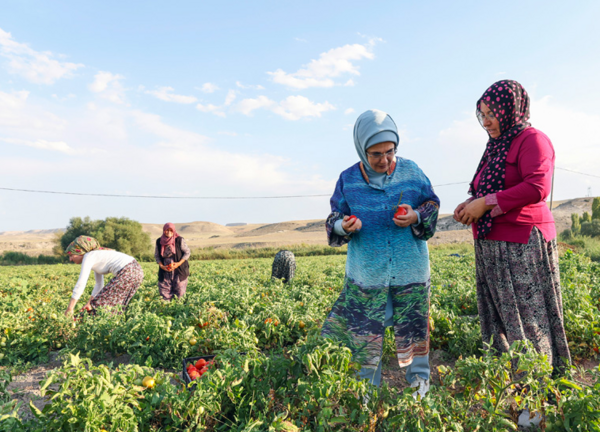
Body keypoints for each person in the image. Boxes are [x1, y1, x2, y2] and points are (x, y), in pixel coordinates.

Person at [453, 80, 571, 376]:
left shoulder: (532, 139)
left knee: (529, 320)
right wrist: (470, 204)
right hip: (492, 243)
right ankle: (517, 386)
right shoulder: (495, 146)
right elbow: (490, 188)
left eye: (492, 113)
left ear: (511, 109)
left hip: (522, 242)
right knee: (503, 321)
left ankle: (539, 390)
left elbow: (537, 187)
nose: (486, 121)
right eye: (481, 115)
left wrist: (487, 203)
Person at [321, 109, 440, 399]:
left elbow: (432, 205)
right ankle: (366, 394)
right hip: (368, 273)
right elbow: (334, 218)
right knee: (365, 335)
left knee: (413, 328)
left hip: (409, 269)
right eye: (376, 154)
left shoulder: (412, 172)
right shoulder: (348, 179)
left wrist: (416, 216)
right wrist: (344, 225)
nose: (385, 160)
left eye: (390, 151)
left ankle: (419, 385)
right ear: (362, 150)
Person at [65, 236, 144, 316]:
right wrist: (89, 302)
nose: (70, 259)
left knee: (100, 307)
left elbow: (81, 283)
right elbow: (99, 284)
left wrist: (70, 308)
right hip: (137, 271)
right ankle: (112, 326)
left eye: (71, 255)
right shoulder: (96, 256)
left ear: (81, 251)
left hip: (128, 271)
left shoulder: (88, 256)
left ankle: (79, 322)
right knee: (116, 306)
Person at [155, 223, 190, 300]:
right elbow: (157, 255)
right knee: (164, 291)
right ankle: (167, 309)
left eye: (171, 230)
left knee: (180, 292)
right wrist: (161, 266)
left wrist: (178, 264)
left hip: (179, 270)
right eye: (167, 230)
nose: (168, 232)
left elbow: (187, 253)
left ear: (174, 231)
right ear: (164, 231)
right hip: (165, 269)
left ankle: (179, 309)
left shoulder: (179, 240)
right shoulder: (159, 241)